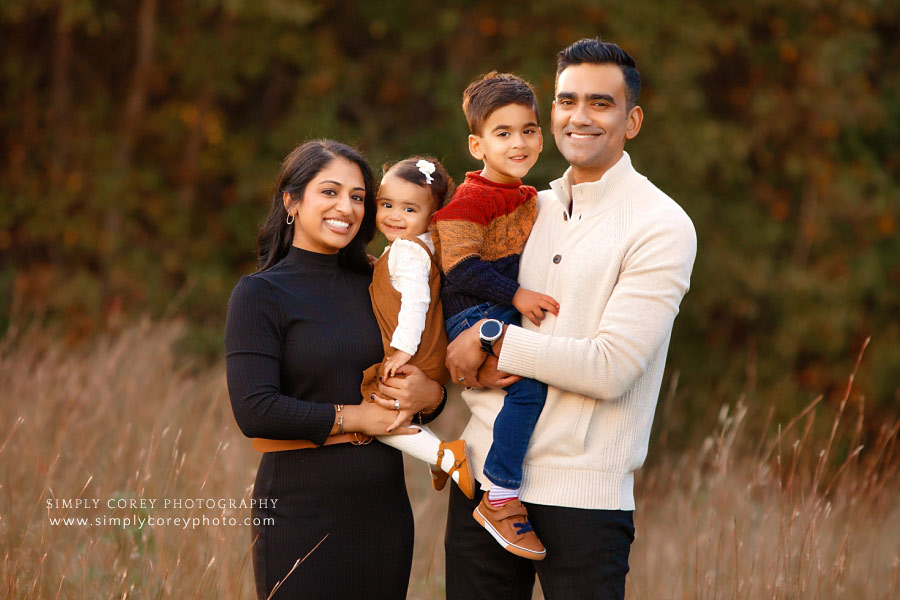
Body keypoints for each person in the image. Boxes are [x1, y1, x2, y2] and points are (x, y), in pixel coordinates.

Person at [443, 39, 698, 599]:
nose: (579, 116)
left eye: (600, 104)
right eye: (566, 100)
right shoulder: (528, 206)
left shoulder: (661, 225)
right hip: (482, 482)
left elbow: (609, 368)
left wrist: (491, 340)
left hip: (584, 499)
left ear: (632, 121)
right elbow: (456, 291)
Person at [224, 139, 445, 600]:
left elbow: (417, 369)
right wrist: (355, 417)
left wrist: (432, 397)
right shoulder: (260, 294)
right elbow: (255, 410)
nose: (346, 207)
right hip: (300, 513)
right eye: (330, 192)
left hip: (383, 514)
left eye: (359, 196)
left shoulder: (380, 280)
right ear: (292, 200)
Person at [431, 71, 560, 560]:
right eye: (502, 134)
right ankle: (500, 495)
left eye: (527, 130)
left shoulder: (528, 196)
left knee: (517, 382)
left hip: (498, 306)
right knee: (526, 388)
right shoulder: (473, 199)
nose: (519, 142)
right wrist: (519, 295)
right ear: (476, 145)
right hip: (474, 311)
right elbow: (461, 268)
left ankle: (461, 459)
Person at [359, 156, 474, 499]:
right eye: (387, 204)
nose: (395, 215)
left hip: (415, 354)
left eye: (409, 210)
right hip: (432, 357)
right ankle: (438, 458)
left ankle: (445, 455)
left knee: (377, 415)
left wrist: (403, 349)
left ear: (431, 216)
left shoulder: (406, 250)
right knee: (394, 413)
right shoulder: (418, 247)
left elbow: (415, 300)